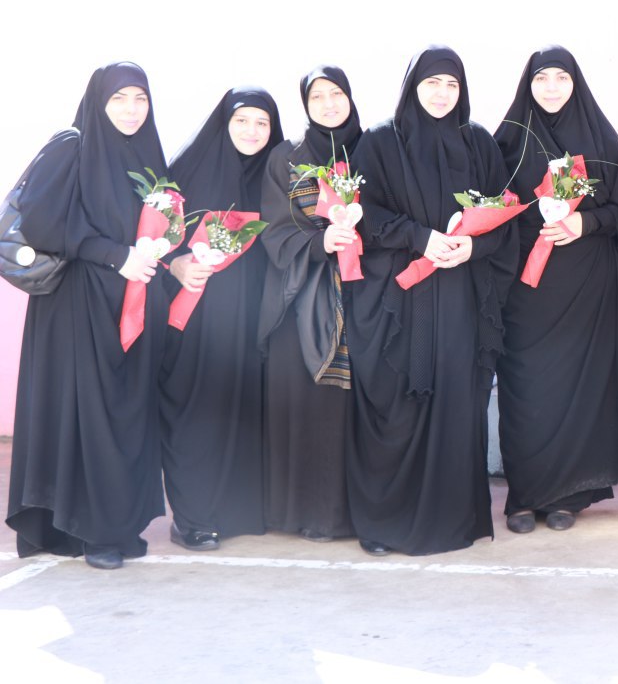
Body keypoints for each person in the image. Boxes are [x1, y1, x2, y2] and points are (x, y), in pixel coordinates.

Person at [344, 46, 518, 556]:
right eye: (431, 84)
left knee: (457, 403)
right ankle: (385, 523)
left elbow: (504, 220)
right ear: (411, 87)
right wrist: (419, 238)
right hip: (399, 302)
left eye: (452, 85)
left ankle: (451, 518)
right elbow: (363, 213)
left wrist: (472, 247)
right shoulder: (380, 142)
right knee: (398, 406)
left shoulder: (479, 143)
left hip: (461, 301)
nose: (442, 94)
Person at [6, 62, 171, 569]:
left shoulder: (148, 156)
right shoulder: (71, 146)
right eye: (119, 98)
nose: (131, 110)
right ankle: (92, 532)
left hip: (133, 305)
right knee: (90, 415)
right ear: (98, 101)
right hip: (77, 309)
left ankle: (120, 524)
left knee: (127, 413)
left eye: (140, 99)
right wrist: (115, 256)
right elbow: (42, 222)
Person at [493, 46, 618, 534]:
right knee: (525, 390)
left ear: (575, 83)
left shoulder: (601, 139)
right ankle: (523, 496)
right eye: (542, 78)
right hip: (525, 294)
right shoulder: (508, 139)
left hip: (586, 291)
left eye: (562, 77)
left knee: (576, 394)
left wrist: (585, 222)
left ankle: (567, 496)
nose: (552, 87)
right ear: (528, 84)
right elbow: (488, 209)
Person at [160, 87, 284, 551]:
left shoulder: (278, 176)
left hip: (256, 319)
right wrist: (174, 264)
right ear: (224, 123)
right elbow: (154, 239)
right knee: (195, 412)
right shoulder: (186, 171)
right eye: (242, 121)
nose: (252, 131)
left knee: (243, 410)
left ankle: (241, 511)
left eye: (262, 123)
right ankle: (193, 517)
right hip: (198, 321)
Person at [258, 65, 363, 542]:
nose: (328, 104)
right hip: (301, 301)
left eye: (336, 93)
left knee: (351, 410)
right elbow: (275, 229)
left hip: (362, 298)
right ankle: (305, 513)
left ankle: (349, 514)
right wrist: (322, 243)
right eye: (316, 96)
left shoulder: (370, 149)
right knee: (306, 406)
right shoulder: (287, 157)